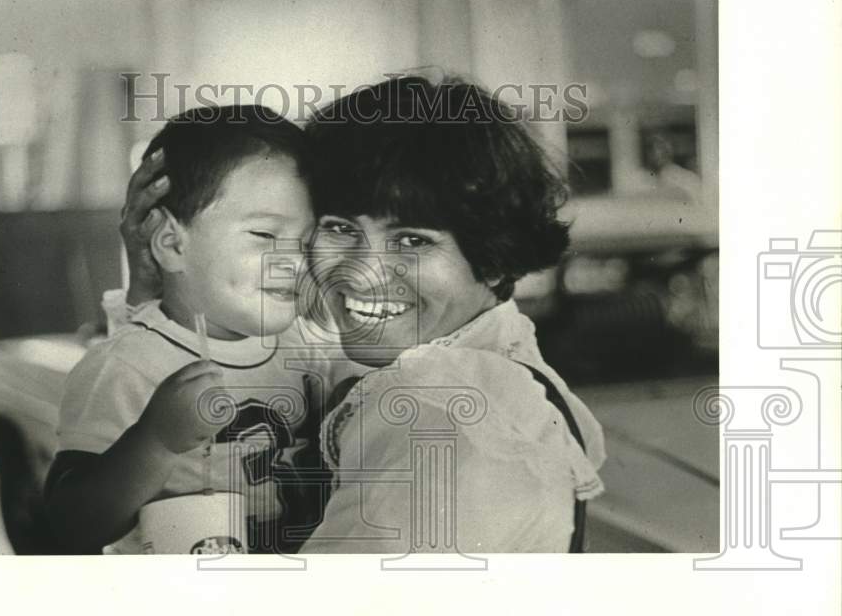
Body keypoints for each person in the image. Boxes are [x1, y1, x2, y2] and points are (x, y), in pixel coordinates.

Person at [120, 75, 606, 553]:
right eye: (339, 228)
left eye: (413, 240)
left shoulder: (439, 411)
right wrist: (160, 290)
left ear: (496, 258)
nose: (362, 273)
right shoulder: (483, 372)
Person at [45, 105, 332, 554]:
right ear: (172, 243)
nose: (294, 262)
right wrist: (154, 442)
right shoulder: (126, 364)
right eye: (263, 235)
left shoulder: (307, 351)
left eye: (308, 241)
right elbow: (67, 528)